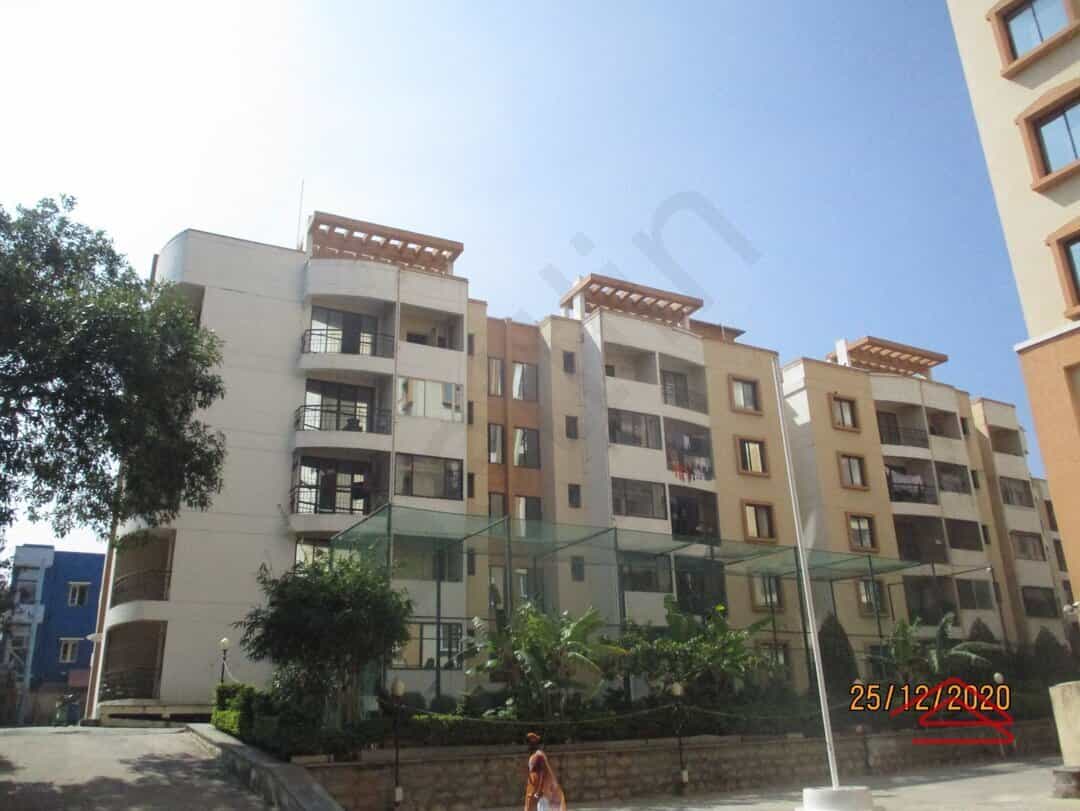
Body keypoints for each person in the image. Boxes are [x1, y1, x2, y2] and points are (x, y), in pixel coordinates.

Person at [524, 732, 566, 811]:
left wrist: (540, 790)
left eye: (530, 743)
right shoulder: (533, 756)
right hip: (537, 791)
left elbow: (542, 773)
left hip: (543, 793)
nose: (528, 746)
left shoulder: (539, 755)